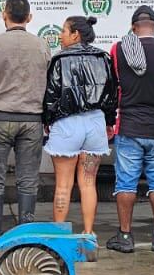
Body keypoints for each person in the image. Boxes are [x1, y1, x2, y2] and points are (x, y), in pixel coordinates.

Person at [0, 0, 49, 244]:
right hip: (31, 119)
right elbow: (48, 84)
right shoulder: (42, 46)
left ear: (4, 15)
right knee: (28, 182)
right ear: (29, 17)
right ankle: (25, 237)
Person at [106, 6, 154, 253]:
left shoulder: (118, 49)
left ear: (133, 28)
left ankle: (125, 236)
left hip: (129, 125)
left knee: (125, 183)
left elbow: (113, 85)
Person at [42, 15, 117, 234]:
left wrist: (47, 120)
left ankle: (59, 235)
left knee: (63, 185)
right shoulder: (103, 58)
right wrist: (109, 121)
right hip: (95, 122)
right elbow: (111, 95)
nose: (60, 36)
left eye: (64, 31)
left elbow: (51, 95)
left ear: (75, 34)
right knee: (88, 183)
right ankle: (88, 233)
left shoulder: (59, 59)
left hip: (66, 124)